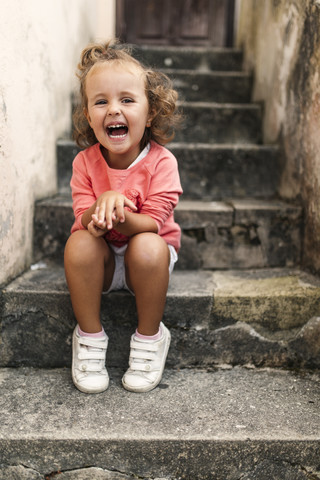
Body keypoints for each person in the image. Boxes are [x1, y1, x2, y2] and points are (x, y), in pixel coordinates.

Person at [64, 40, 183, 394]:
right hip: (99, 262)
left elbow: (153, 223)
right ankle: (89, 336)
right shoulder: (84, 163)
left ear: (149, 114)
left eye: (127, 100)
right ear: (88, 115)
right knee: (79, 243)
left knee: (148, 245)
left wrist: (117, 204)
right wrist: (98, 214)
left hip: (145, 263)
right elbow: (85, 218)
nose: (113, 110)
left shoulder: (163, 162)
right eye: (101, 102)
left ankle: (150, 337)